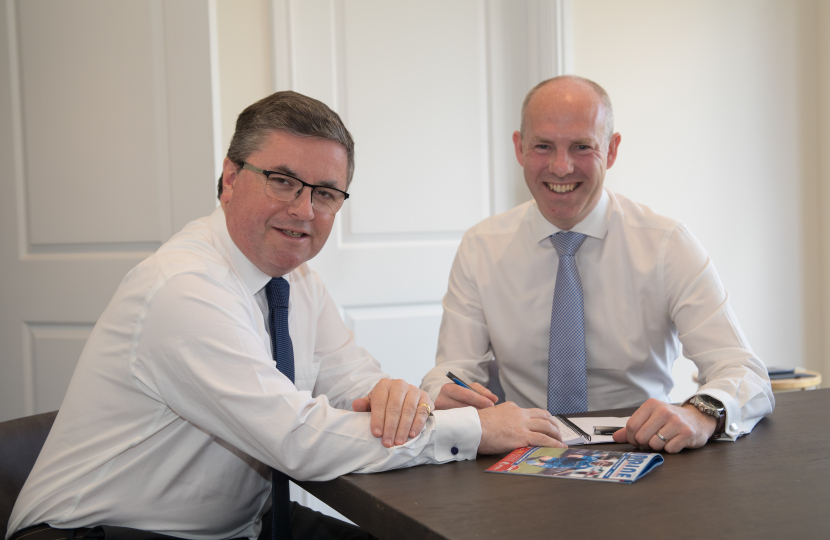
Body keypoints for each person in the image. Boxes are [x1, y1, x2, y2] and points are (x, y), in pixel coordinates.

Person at [7, 91, 565, 540]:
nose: (303, 209)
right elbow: (296, 437)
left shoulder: (297, 281)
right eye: (281, 180)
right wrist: (472, 429)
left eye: (325, 192)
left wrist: (397, 397)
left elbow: (350, 379)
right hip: (100, 532)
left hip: (240, 526)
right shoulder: (183, 289)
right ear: (229, 178)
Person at [420, 75, 774, 454]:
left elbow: (744, 372)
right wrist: (443, 394)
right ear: (519, 148)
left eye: (581, 146)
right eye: (543, 146)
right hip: (522, 453)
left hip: (644, 451)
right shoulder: (481, 247)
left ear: (612, 149)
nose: (560, 167)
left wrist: (701, 412)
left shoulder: (667, 244)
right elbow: (453, 371)